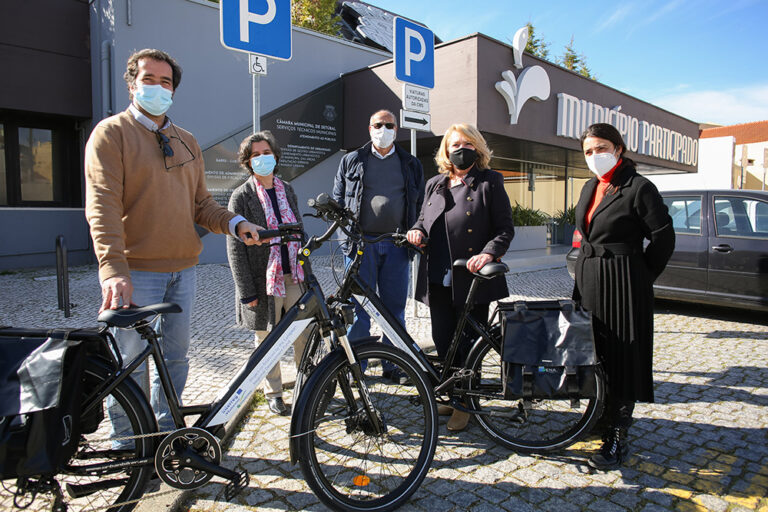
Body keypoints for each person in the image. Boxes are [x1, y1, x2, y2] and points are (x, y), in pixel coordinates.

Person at [84, 49, 263, 437]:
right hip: (135, 272)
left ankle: (167, 432)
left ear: (173, 91)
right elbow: (102, 206)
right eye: (148, 79)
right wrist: (112, 269)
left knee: (176, 358)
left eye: (165, 82)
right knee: (129, 362)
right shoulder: (111, 134)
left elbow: (201, 205)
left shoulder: (186, 141)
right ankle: (128, 443)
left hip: (183, 271)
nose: (157, 87)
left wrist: (236, 223)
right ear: (132, 84)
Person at [571, 123, 675, 469]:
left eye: (601, 148)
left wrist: (640, 275)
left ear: (618, 148)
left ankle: (617, 434)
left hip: (623, 281)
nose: (594, 156)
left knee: (622, 356)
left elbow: (663, 238)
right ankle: (599, 415)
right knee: (596, 352)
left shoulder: (639, 187)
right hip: (590, 278)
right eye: (588, 151)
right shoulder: (591, 185)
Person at [407, 123, 514, 431]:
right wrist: (416, 231)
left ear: (477, 149)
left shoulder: (490, 181)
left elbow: (504, 228)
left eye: (467, 144)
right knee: (443, 340)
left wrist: (489, 253)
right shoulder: (435, 183)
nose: (461, 149)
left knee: (468, 343)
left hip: (471, 276)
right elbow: (422, 219)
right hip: (438, 274)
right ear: (446, 150)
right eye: (455, 144)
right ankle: (452, 395)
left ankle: (466, 403)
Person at [332, 109, 425, 383]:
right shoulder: (352, 160)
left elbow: (419, 203)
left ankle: (393, 366)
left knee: (394, 309)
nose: (383, 129)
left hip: (397, 246)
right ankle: (356, 368)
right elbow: (338, 199)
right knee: (358, 308)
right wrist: (346, 236)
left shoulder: (410, 163)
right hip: (360, 246)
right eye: (378, 125)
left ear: (396, 129)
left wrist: (415, 231)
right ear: (369, 128)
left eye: (389, 125)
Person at [226, 131, 307, 416]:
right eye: (256, 155)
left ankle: (306, 388)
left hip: (294, 276)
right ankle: (273, 393)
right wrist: (246, 292)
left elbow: (299, 230)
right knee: (267, 339)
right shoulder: (241, 196)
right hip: (264, 282)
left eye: (266, 153)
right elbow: (235, 249)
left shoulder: (288, 189)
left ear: (275, 156)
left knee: (302, 334)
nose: (262, 158)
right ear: (248, 162)